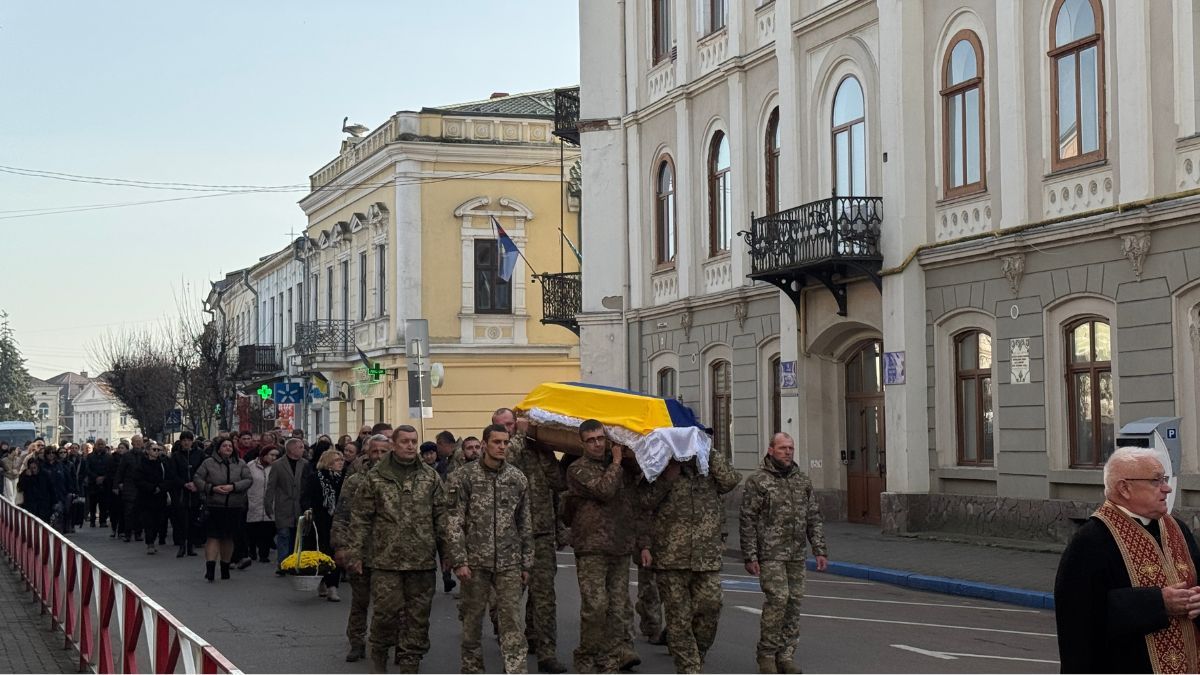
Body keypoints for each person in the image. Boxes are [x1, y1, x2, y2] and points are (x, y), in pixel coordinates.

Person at [1054, 447, 1200, 673]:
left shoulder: (1177, 529)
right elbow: (1079, 620)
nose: (1167, 488)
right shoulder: (1090, 541)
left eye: (1165, 479)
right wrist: (1157, 603)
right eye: (1156, 481)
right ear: (1124, 488)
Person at [345, 426, 448, 674]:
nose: (410, 446)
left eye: (414, 441)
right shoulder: (376, 477)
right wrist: (355, 554)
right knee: (385, 615)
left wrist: (448, 554)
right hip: (385, 561)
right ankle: (379, 660)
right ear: (394, 444)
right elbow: (360, 518)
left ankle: (410, 666)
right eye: (405, 442)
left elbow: (442, 517)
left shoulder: (430, 477)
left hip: (421, 561)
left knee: (417, 619)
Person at [641, 449, 742, 674]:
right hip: (671, 558)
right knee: (678, 618)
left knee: (711, 607)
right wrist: (667, 478)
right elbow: (644, 502)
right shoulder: (661, 464)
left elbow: (731, 481)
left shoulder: (708, 468)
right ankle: (689, 668)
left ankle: (698, 654)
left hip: (706, 556)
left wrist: (710, 451)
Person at [740, 432, 828, 674]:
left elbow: (813, 517)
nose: (788, 452)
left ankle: (786, 655)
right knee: (777, 600)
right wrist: (750, 555)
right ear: (771, 450)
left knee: (793, 604)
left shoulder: (802, 481)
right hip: (771, 553)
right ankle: (766, 654)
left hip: (796, 554)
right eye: (782, 448)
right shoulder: (758, 481)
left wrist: (819, 550)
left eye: (790, 448)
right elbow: (747, 519)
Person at [448, 423, 533, 674]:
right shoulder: (464, 476)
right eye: (497, 442)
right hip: (475, 563)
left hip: (509, 562)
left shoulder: (517, 478)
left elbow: (524, 523)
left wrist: (527, 563)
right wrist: (459, 560)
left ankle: (516, 670)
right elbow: (454, 521)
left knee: (512, 624)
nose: (502, 447)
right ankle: (473, 670)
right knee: (472, 622)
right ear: (485, 444)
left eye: (506, 443)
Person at [492, 407, 566, 670]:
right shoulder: (495, 450)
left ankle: (546, 652)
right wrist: (520, 437)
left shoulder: (538, 452)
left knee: (544, 597)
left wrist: (550, 450)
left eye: (513, 424)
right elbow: (505, 461)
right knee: (509, 600)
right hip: (509, 536)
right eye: (504, 425)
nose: (510, 429)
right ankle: (512, 652)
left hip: (542, 533)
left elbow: (559, 484)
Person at [565, 419, 639, 673]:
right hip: (591, 546)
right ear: (582, 443)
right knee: (595, 607)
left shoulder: (621, 468)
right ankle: (586, 656)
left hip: (620, 545)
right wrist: (617, 462)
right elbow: (604, 491)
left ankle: (609, 659)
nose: (597, 444)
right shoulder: (577, 469)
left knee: (618, 609)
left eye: (600, 438)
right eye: (591, 440)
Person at [332, 434, 389, 664]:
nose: (379, 456)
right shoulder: (355, 481)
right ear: (367, 453)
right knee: (360, 601)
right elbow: (342, 515)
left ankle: (385, 642)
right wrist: (340, 546)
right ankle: (356, 642)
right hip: (360, 550)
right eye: (375, 451)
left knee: (389, 604)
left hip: (390, 553)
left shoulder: (399, 479)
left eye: (384, 452)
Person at [192, 438, 252, 581]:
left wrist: (234, 487)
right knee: (213, 537)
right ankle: (210, 569)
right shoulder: (208, 463)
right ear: (218, 449)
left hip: (234, 506)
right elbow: (197, 478)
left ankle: (225, 568)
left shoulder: (240, 463)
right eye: (224, 446)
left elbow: (248, 480)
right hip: (214, 505)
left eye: (230, 446)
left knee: (228, 538)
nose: (228, 448)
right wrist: (211, 488)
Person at [302, 449, 345, 601]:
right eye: (336, 460)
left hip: (338, 520)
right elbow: (306, 496)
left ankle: (333, 587)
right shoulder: (316, 478)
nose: (340, 463)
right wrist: (308, 510)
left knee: (336, 552)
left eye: (341, 460)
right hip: (320, 520)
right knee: (322, 552)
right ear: (328, 463)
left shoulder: (343, 479)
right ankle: (322, 581)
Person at [266, 438, 309, 574]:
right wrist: (268, 504)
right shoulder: (278, 465)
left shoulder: (305, 464)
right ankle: (283, 563)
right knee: (284, 535)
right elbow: (271, 486)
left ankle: (294, 562)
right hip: (283, 506)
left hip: (300, 506)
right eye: (301, 447)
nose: (303, 450)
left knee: (297, 535)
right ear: (291, 449)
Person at [134, 443, 178, 555]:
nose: (156, 452)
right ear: (148, 451)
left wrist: (161, 488)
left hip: (160, 497)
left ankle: (153, 538)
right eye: (154, 449)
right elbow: (138, 480)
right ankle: (150, 543)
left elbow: (170, 478)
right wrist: (151, 488)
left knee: (159, 521)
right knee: (148, 521)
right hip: (146, 497)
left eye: (159, 450)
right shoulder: (141, 464)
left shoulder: (163, 463)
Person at [169, 431, 205, 558]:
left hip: (196, 492)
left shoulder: (200, 454)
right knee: (181, 520)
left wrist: (196, 484)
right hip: (181, 493)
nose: (186, 442)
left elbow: (202, 471)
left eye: (189, 440)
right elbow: (173, 474)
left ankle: (191, 545)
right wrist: (184, 484)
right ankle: (182, 545)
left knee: (193, 520)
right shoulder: (176, 456)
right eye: (184, 440)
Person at [245, 447, 278, 563]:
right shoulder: (250, 466)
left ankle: (264, 554)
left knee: (268, 529)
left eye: (276, 455)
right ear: (264, 455)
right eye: (271, 455)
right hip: (253, 500)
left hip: (270, 502)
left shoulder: (276, 467)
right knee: (253, 528)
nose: (274, 458)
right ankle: (252, 550)